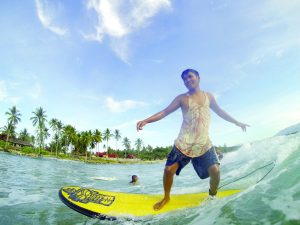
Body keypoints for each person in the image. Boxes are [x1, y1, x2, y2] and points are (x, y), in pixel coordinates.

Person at [136, 69, 249, 211]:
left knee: (215, 171)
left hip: (203, 143)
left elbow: (220, 112)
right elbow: (165, 112)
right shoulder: (181, 98)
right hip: (184, 142)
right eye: (184, 79)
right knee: (169, 170)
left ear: (198, 78)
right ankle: (166, 197)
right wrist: (146, 121)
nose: (187, 80)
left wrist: (236, 122)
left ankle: (212, 195)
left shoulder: (209, 96)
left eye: (190, 77)